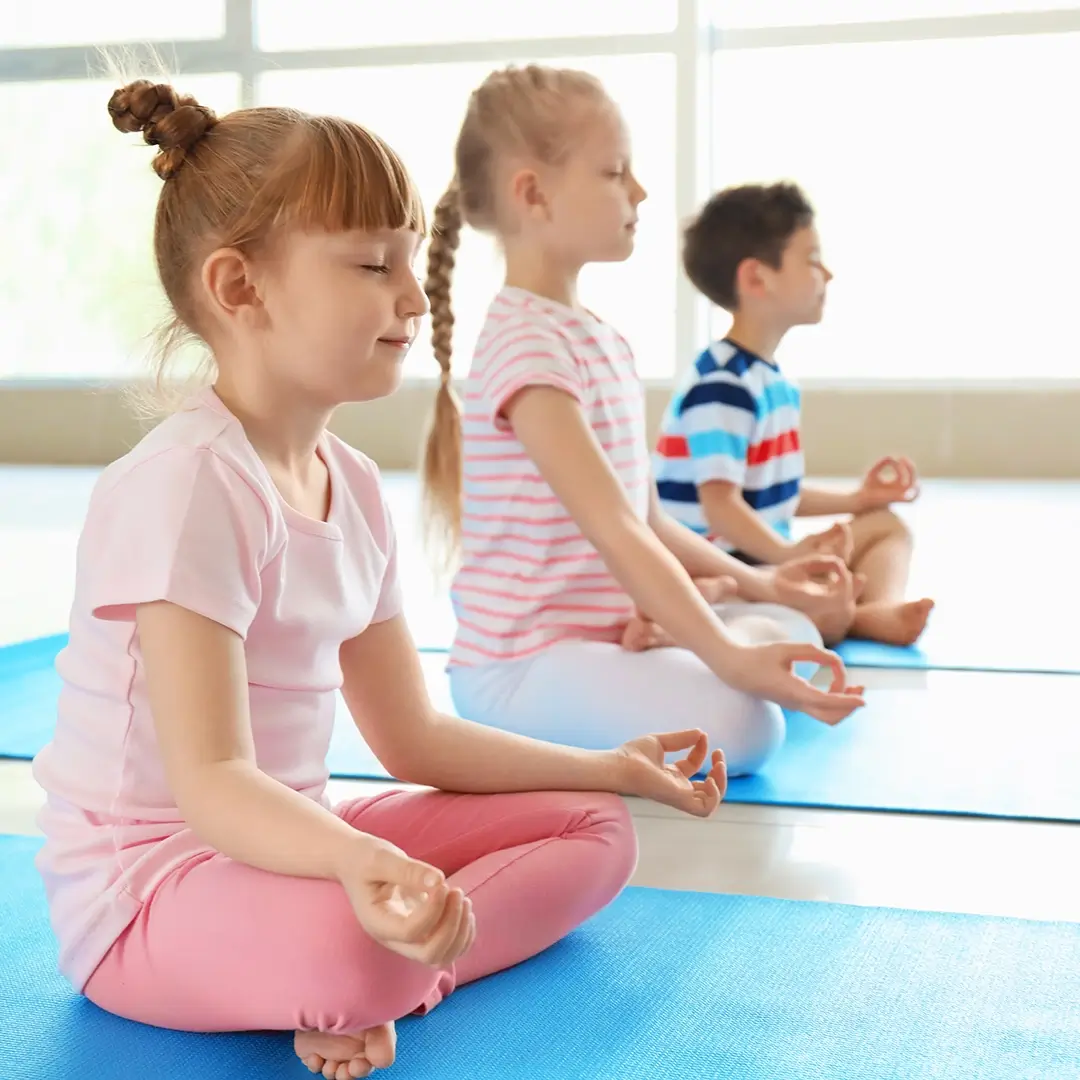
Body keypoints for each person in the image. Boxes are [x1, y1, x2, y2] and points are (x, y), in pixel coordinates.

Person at [31, 79, 732, 1080]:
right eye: (371, 264)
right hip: (150, 890)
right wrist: (365, 869)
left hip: (299, 838)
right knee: (359, 937)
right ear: (240, 289)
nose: (412, 294)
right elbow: (214, 783)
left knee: (598, 832)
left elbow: (413, 736)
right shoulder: (188, 486)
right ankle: (376, 970)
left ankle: (401, 977)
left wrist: (610, 766)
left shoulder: (352, 485)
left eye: (409, 259)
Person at [420, 64, 866, 783]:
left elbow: (650, 518)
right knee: (746, 726)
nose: (640, 192)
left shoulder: (598, 337)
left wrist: (769, 584)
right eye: (615, 172)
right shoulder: (525, 348)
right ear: (533, 194)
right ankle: (691, 643)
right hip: (522, 667)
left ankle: (685, 634)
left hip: (600, 640)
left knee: (794, 630)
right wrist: (727, 655)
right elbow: (616, 531)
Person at [654, 182, 934, 646]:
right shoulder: (721, 385)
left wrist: (857, 500)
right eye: (811, 259)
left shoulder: (772, 382)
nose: (827, 272)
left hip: (765, 557)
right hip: (726, 561)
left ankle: (868, 608)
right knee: (814, 598)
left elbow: (775, 493)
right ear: (757, 279)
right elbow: (721, 507)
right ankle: (849, 616)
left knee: (884, 526)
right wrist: (788, 554)